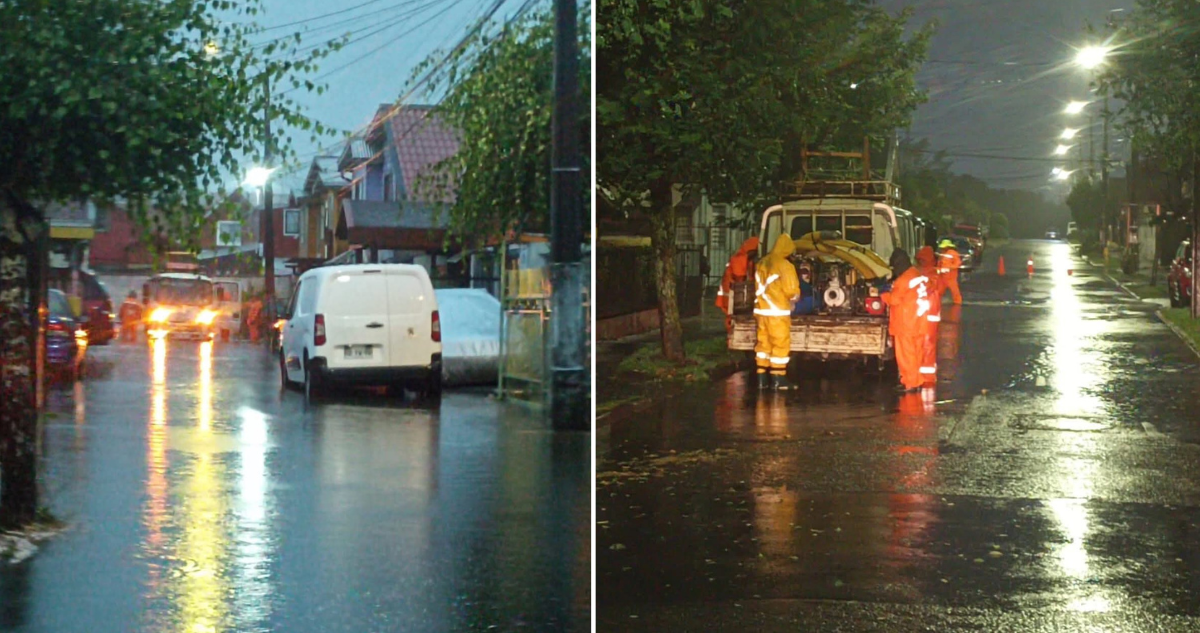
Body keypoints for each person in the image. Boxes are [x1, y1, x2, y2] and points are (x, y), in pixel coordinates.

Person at [754, 235, 800, 391]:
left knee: (763, 344)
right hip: (777, 312)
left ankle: (761, 379)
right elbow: (791, 290)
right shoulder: (785, 265)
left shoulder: (762, 262)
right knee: (780, 344)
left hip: (761, 310)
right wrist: (795, 299)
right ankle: (778, 379)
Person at [882, 249, 931, 393]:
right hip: (919, 322)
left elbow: (894, 300)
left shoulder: (903, 280)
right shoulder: (916, 274)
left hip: (905, 324)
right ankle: (917, 380)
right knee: (917, 354)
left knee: (906, 356)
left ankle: (909, 383)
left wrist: (883, 293)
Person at [715, 237, 760, 333]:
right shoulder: (740, 260)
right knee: (733, 320)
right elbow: (741, 281)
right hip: (733, 298)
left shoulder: (740, 259)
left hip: (731, 297)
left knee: (732, 320)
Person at [915, 246, 943, 387]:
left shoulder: (928, 274)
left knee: (925, 345)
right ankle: (924, 375)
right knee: (926, 345)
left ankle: (925, 377)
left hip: (926, 316)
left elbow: (927, 288)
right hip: (928, 315)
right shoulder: (932, 273)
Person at [937, 239, 963, 304]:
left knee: (954, 291)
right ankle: (936, 301)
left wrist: (949, 268)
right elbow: (940, 263)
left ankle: (958, 302)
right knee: (939, 290)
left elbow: (958, 263)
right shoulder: (943, 254)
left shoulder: (953, 253)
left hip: (951, 276)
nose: (942, 248)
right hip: (942, 276)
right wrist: (939, 269)